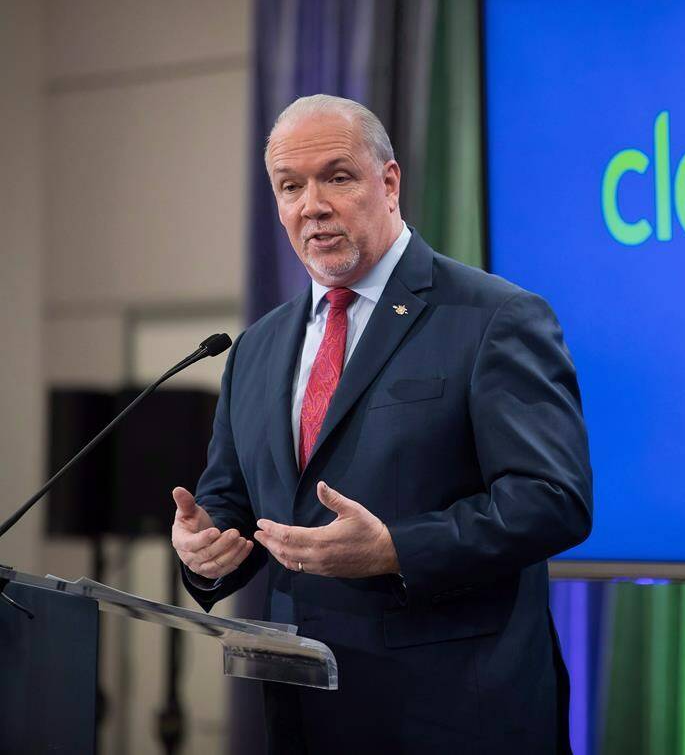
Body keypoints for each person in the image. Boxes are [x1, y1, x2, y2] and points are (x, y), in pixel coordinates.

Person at [169, 94, 592, 754]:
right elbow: (234, 501)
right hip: (303, 713)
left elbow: (553, 500)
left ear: (388, 182)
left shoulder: (493, 317)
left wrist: (397, 546)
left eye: (337, 176)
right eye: (290, 185)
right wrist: (205, 549)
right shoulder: (255, 347)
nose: (313, 204)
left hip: (455, 714)